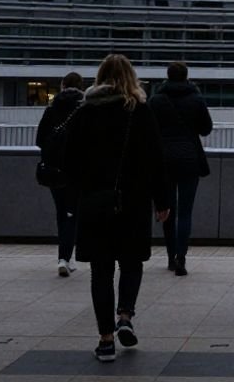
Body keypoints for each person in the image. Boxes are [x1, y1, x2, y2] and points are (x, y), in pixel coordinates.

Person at [62, 54, 170, 363]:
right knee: (132, 262)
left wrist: (78, 195)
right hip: (133, 202)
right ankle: (125, 316)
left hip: (95, 202)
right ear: (130, 78)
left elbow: (70, 163)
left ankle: (105, 339)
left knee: (101, 270)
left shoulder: (84, 113)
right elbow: (155, 160)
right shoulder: (140, 112)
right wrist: (162, 201)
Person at [147, 61, 214, 275]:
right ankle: (182, 258)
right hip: (189, 159)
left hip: (163, 160)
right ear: (186, 76)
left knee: (167, 208)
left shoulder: (156, 100)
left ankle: (170, 257)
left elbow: (148, 130)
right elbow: (206, 129)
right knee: (185, 212)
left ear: (167, 76)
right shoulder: (196, 99)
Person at [36, 71, 84, 277]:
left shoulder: (51, 109)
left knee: (61, 212)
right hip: (75, 169)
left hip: (54, 170)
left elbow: (40, 140)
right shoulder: (83, 110)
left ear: (62, 86)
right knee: (72, 213)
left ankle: (63, 256)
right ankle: (66, 257)